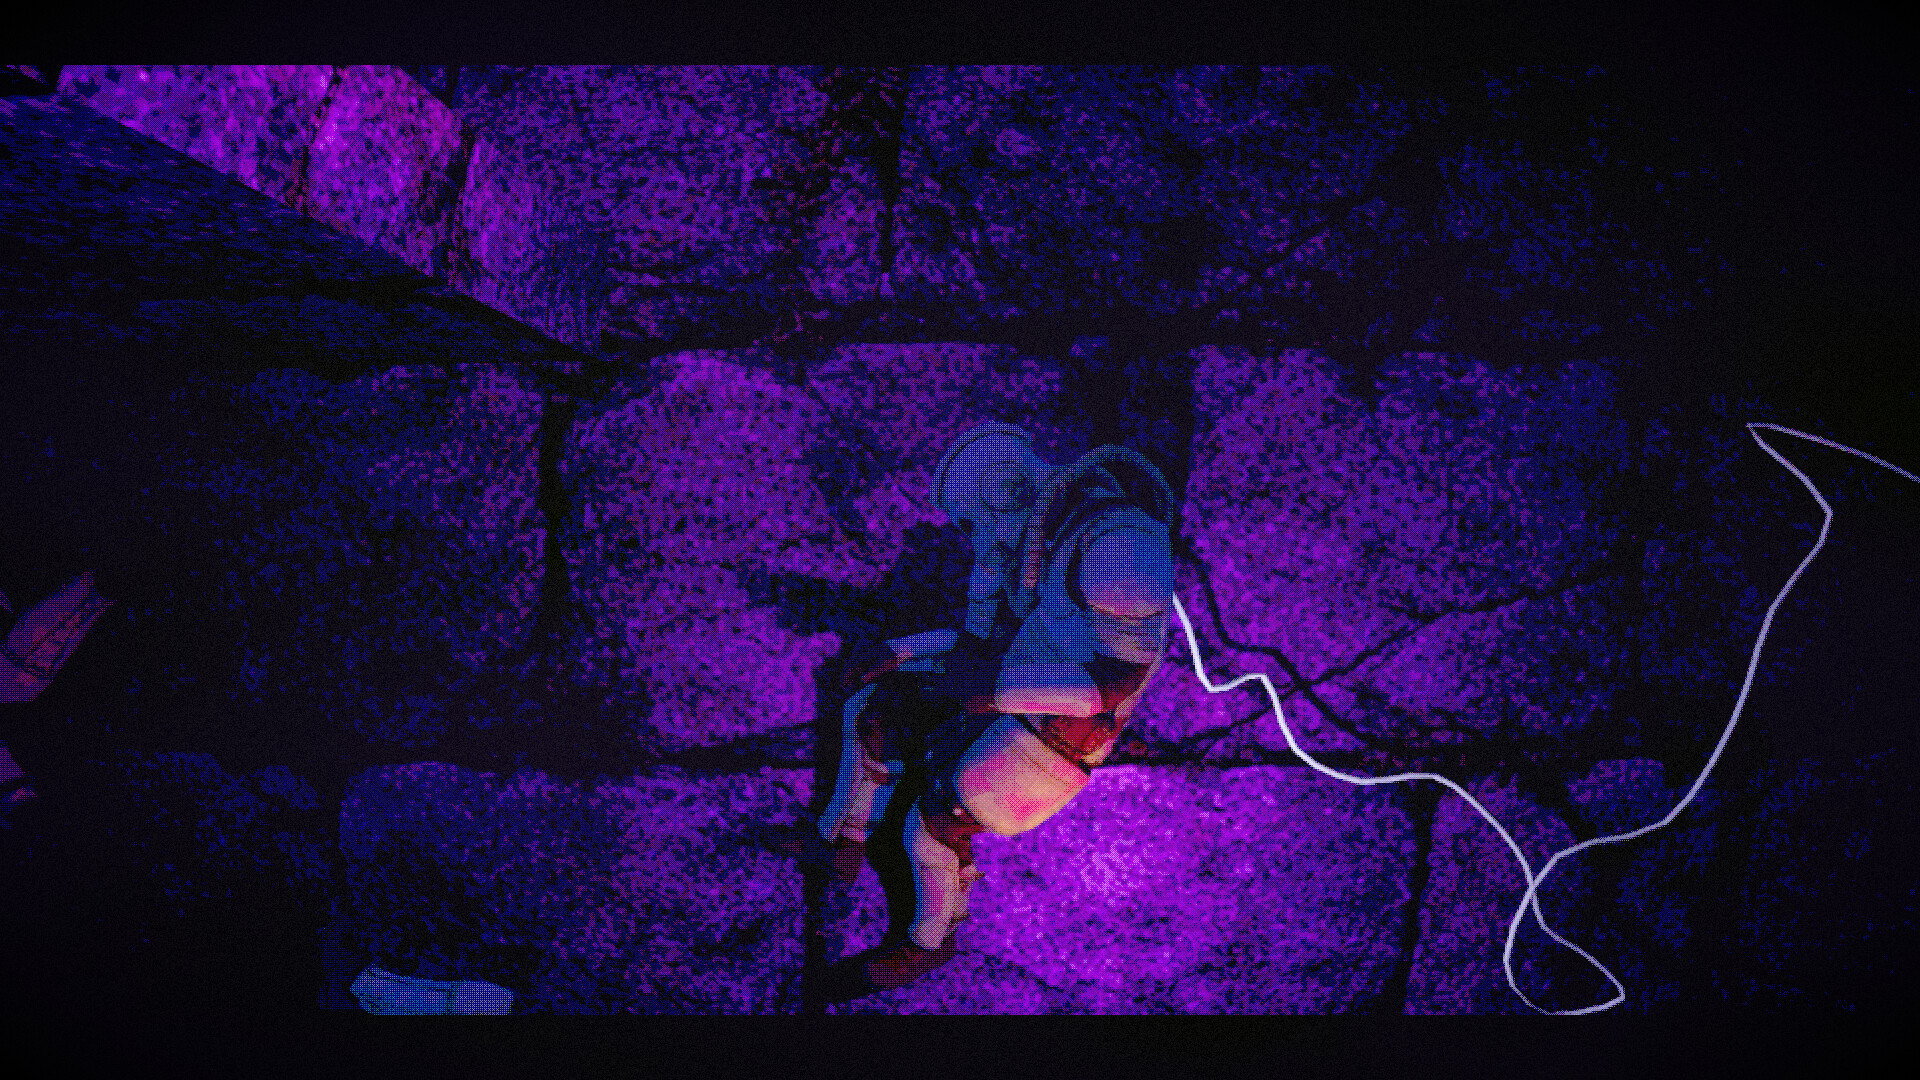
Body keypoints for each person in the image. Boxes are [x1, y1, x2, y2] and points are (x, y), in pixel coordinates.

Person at [791, 423, 1178, 995]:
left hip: (1058, 731)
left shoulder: (1119, 551)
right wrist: (898, 652)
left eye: (975, 522)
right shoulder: (1024, 537)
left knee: (936, 822)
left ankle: (928, 943)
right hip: (1010, 687)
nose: (976, 539)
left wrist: (991, 691)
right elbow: (977, 644)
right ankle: (841, 842)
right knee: (873, 709)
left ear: (1006, 493)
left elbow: (1109, 692)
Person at [1, 572, 112, 821]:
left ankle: (99, 585)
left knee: (71, 615)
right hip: (17, 676)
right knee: (68, 615)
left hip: (20, 678)